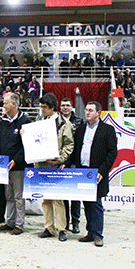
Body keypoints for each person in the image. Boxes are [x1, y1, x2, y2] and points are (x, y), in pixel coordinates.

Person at [66, 101, 117, 247]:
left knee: (96, 204)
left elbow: (112, 153)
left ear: (98, 113)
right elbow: (75, 150)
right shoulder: (81, 129)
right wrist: (68, 164)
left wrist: (102, 171)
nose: (87, 113)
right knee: (87, 203)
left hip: (97, 172)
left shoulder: (107, 130)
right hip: (82, 171)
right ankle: (90, 232)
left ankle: (98, 235)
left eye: (91, 110)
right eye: (86, 110)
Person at [35, 93, 74, 242]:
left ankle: (61, 228)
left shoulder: (64, 124)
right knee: (45, 198)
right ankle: (48, 227)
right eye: (41, 107)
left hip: (55, 165)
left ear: (52, 108)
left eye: (44, 107)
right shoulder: (39, 120)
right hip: (41, 163)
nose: (42, 110)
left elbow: (69, 144)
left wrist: (60, 159)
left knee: (58, 199)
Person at [0, 93, 31, 235]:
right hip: (4, 165)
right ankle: (10, 222)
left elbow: (26, 145)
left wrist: (16, 159)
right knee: (8, 196)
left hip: (18, 166)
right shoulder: (3, 121)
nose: (4, 105)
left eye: (6, 103)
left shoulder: (25, 120)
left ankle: (19, 225)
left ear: (14, 104)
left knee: (18, 197)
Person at [60, 97, 84, 233]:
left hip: (75, 162)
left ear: (72, 107)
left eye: (67, 105)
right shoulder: (56, 122)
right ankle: (65, 223)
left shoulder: (79, 122)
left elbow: (78, 144)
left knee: (75, 196)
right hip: (62, 161)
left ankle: (75, 223)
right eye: (63, 105)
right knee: (63, 195)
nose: (65, 108)